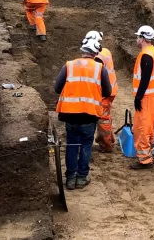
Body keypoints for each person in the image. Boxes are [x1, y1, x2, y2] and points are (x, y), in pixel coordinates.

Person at [54, 32, 113, 190]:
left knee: (72, 144)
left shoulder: (69, 65)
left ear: (82, 51)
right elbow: (107, 91)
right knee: (86, 145)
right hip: (89, 115)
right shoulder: (100, 68)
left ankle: (70, 179)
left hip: (70, 114)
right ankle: (81, 178)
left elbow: (57, 88)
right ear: (95, 53)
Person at [131, 25, 154, 170]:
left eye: (138, 37)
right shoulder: (153, 51)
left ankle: (144, 160)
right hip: (152, 96)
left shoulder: (146, 56)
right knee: (149, 126)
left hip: (147, 96)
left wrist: (138, 96)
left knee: (142, 128)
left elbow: (145, 79)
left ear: (143, 38)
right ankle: (149, 154)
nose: (137, 40)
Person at [89, 31, 119, 153]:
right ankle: (108, 140)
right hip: (111, 89)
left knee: (103, 119)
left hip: (104, 92)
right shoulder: (105, 51)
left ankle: (106, 145)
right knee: (105, 117)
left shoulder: (97, 58)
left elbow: (96, 77)